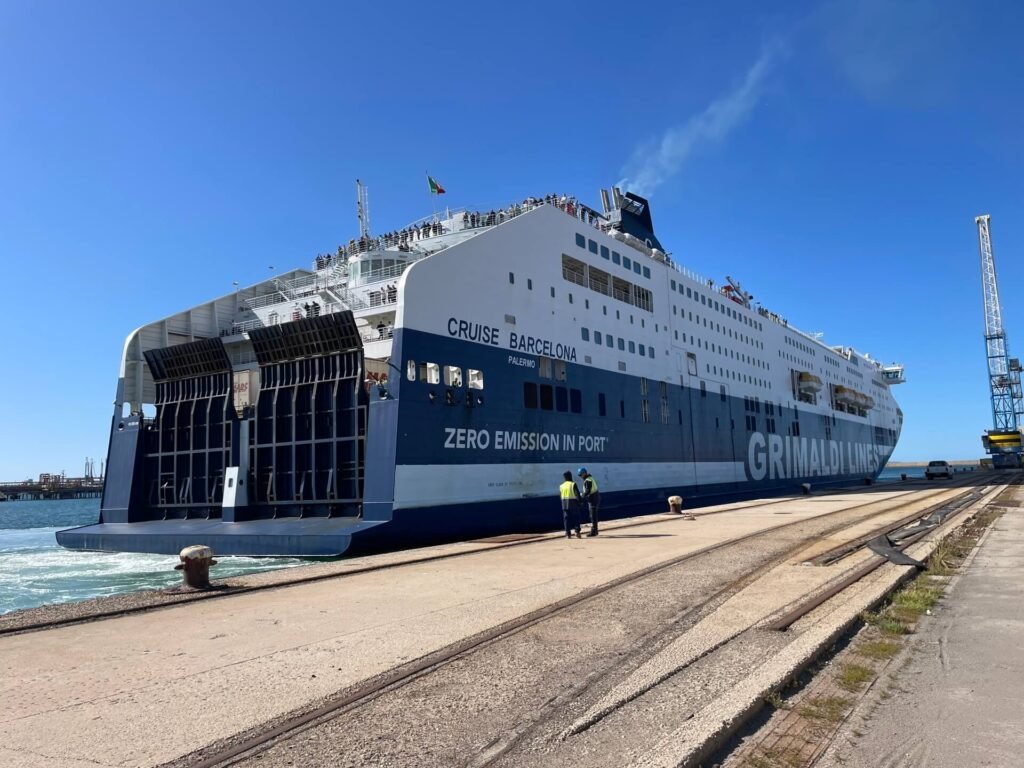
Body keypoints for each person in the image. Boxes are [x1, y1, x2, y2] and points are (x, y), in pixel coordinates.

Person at [559, 471, 582, 539]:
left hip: (564, 504)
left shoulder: (561, 486)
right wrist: (580, 502)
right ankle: (577, 532)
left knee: (566, 519)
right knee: (576, 518)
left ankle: (568, 533)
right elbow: (577, 494)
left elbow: (560, 495)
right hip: (573, 503)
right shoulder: (573, 484)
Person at [578, 467, 600, 536]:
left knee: (593, 516)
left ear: (584, 473)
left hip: (593, 498)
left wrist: (582, 495)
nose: (580, 476)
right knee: (593, 515)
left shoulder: (588, 480)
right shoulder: (590, 478)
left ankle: (594, 531)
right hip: (594, 497)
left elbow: (588, 491)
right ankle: (595, 530)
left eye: (581, 475)